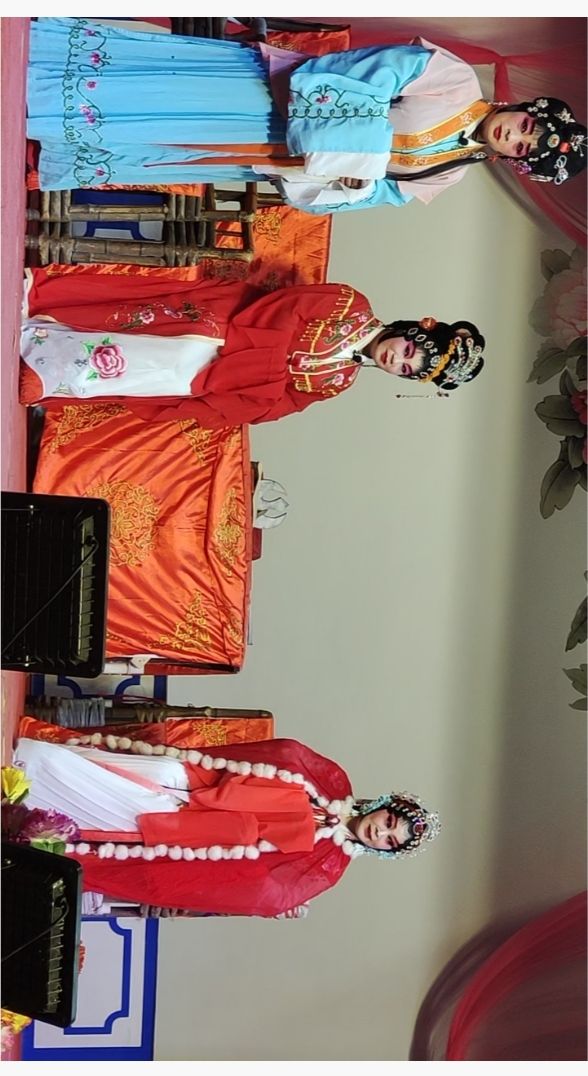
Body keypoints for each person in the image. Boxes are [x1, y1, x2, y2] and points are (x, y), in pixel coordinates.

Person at [27, 19, 586, 212]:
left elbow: (373, 195)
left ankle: (55, 141)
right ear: (525, 108)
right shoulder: (455, 79)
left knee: (174, 144)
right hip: (272, 100)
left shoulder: (448, 174)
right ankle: (46, 86)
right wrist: (359, 146)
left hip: (276, 153)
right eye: (527, 126)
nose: (515, 136)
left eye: (522, 148)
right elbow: (372, 71)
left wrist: (350, 182)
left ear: (515, 160)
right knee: (171, 95)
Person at [14, 723, 440, 917]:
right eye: (389, 822)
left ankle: (23, 790)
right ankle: (25, 769)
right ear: (384, 805)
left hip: (188, 833)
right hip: (198, 780)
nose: (380, 831)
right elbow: (285, 754)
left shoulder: (326, 867)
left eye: (389, 840)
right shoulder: (333, 782)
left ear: (385, 851)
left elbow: (265, 892)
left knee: (136, 809)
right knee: (159, 771)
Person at [20, 267, 486, 424]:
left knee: (174, 381)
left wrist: (251, 386)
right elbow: (284, 311)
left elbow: (276, 405)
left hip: (220, 377)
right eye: (408, 351)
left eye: (405, 369)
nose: (396, 359)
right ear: (412, 330)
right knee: (175, 349)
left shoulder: (340, 380)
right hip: (228, 323)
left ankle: (54, 376)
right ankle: (46, 344)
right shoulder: (349, 304)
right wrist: (258, 375)